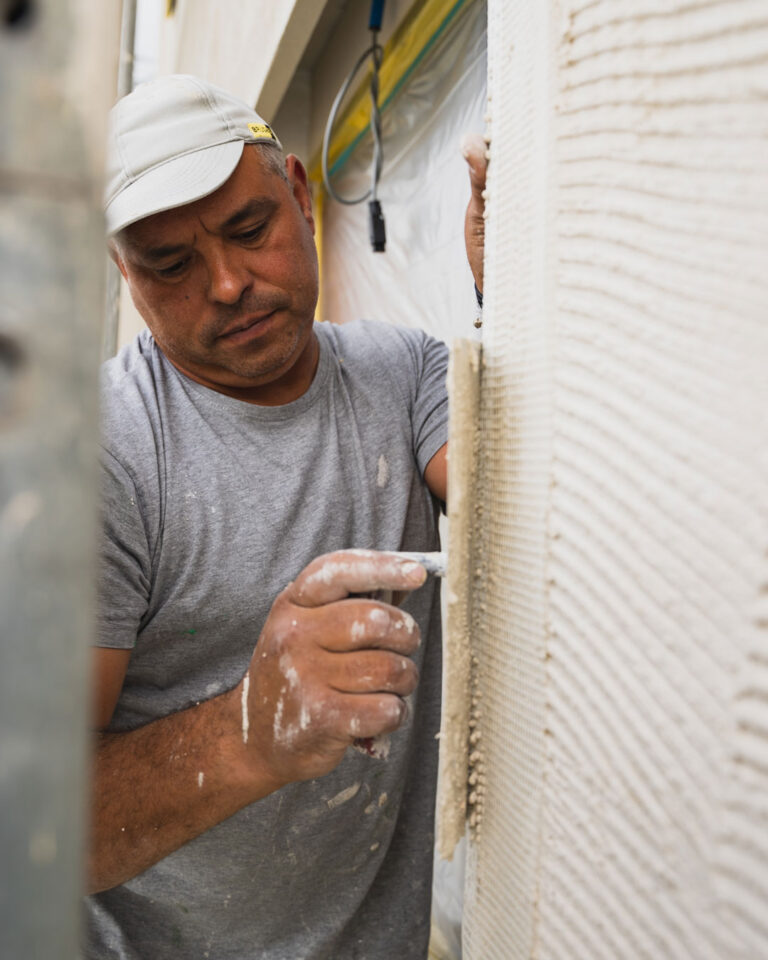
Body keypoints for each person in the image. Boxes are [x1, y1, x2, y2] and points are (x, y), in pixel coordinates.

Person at [88, 74, 486, 959]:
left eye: (248, 230)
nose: (228, 283)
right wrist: (249, 726)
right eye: (170, 264)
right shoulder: (99, 458)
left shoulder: (404, 374)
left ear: (301, 198)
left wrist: (526, 296)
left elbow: (540, 497)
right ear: (124, 273)